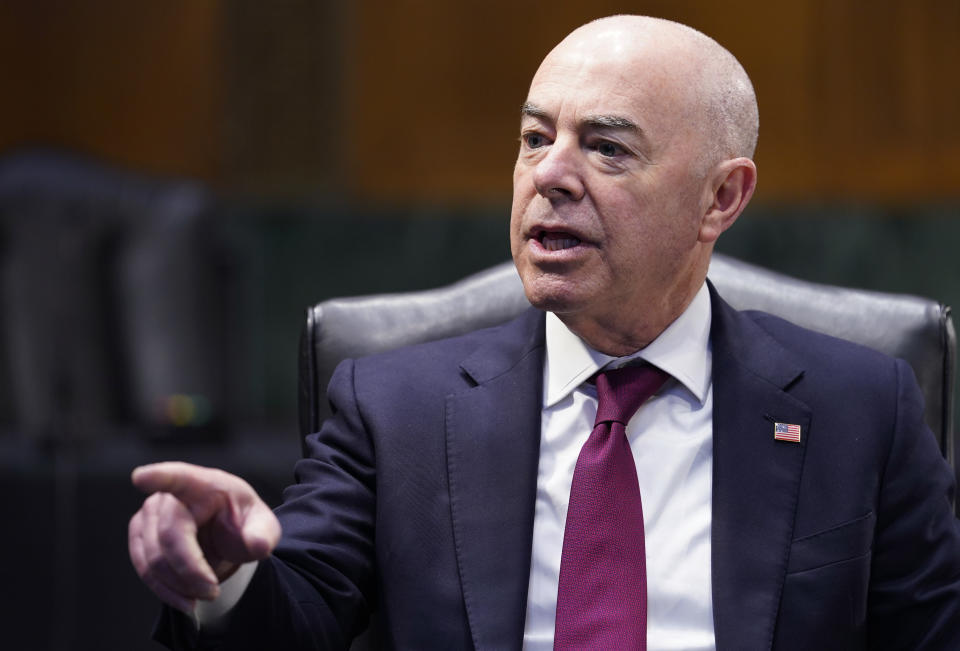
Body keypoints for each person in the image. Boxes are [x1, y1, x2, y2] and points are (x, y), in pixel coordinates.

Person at [129, 15, 960, 650]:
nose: (549, 176)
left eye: (605, 148)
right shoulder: (395, 406)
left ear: (721, 199)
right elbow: (298, 613)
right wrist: (228, 572)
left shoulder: (861, 407)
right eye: (535, 138)